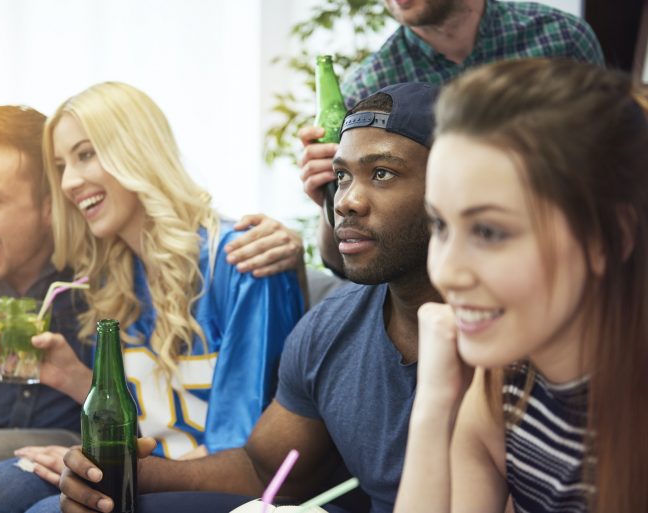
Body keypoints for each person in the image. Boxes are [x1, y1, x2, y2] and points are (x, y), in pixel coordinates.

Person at [0, 105, 305, 513]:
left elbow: (251, 453)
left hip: (142, 454)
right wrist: (74, 378)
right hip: (37, 427)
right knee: (1, 488)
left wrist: (296, 253)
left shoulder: (106, 254)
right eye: (62, 166)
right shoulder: (112, 267)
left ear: (48, 207)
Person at [55, 82, 442, 513]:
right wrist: (123, 473)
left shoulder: (497, 340)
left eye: (382, 173)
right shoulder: (330, 329)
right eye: (342, 177)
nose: (346, 202)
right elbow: (262, 469)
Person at [394, 59, 648, 513]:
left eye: (489, 231)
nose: (445, 273)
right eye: (440, 225)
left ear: (609, 236)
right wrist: (433, 406)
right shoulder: (509, 379)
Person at [299, 0, 605, 275]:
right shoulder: (370, 88)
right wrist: (329, 196)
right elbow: (342, 265)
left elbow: (611, 166)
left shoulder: (561, 38)